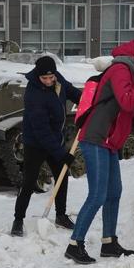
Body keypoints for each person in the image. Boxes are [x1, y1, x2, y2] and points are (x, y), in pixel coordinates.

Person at [64, 27, 134, 264]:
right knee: (98, 195)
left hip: (109, 141)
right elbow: (127, 101)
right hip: (96, 138)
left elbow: (125, 111)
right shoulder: (121, 68)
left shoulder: (133, 71)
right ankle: (74, 244)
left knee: (114, 192)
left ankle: (109, 242)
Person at [11, 55, 82, 237]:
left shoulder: (58, 80)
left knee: (62, 176)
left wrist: (87, 101)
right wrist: (61, 153)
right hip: (36, 142)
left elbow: (72, 92)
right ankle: (18, 220)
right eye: (45, 78)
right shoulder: (33, 95)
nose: (49, 81)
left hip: (55, 139)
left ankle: (61, 215)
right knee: (29, 182)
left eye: (51, 77)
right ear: (38, 75)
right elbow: (41, 132)